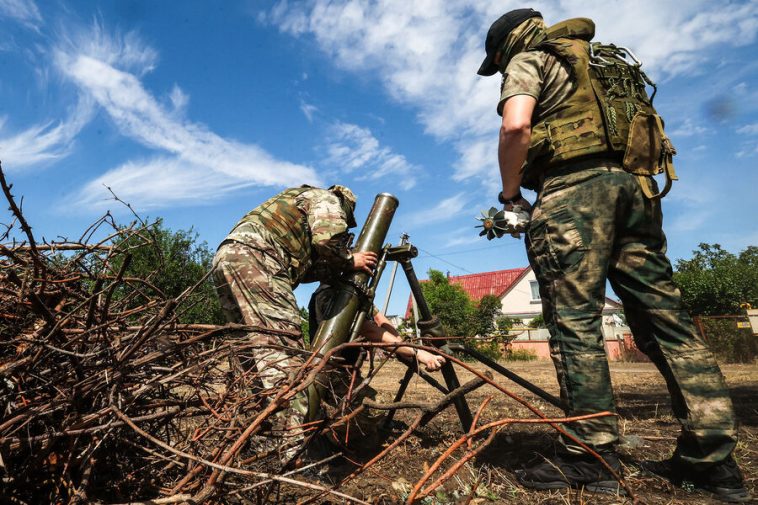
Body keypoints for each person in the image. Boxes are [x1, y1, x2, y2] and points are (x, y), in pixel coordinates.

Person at [477, 9, 750, 502]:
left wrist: (510, 193)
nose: (500, 71)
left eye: (496, 64)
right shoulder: (603, 62)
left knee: (575, 323)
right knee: (668, 322)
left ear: (504, 48)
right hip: (637, 190)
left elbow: (516, 127)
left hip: (575, 195)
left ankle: (590, 456)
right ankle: (713, 461)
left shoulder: (530, 59)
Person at [211, 184, 376, 465]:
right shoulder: (327, 199)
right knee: (286, 358)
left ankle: (253, 442)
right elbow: (327, 240)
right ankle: (291, 455)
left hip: (228, 258)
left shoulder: (296, 203)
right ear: (346, 207)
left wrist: (338, 267)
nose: (345, 227)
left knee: (251, 357)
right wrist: (351, 259)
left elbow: (308, 266)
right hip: (258, 260)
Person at [306, 283, 446, 452]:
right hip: (329, 373)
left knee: (370, 441)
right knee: (374, 407)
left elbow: (380, 320)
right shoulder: (329, 293)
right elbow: (368, 330)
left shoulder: (354, 292)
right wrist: (417, 353)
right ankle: (324, 435)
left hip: (348, 371)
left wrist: (404, 345)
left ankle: (346, 434)